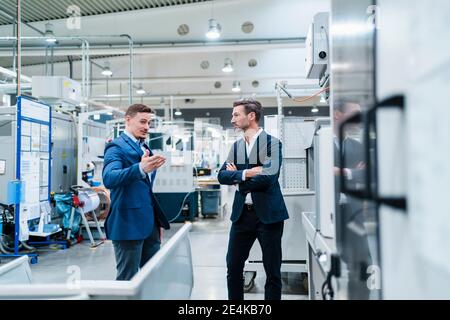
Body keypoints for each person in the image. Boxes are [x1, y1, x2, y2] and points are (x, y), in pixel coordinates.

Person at [218, 98, 289, 300]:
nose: (232, 119)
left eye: (236, 114)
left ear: (251, 116)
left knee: (272, 271)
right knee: (233, 266)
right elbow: (222, 176)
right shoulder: (237, 146)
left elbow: (268, 178)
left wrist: (238, 180)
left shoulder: (272, 144)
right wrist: (248, 173)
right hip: (242, 216)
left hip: (269, 216)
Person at [102, 104, 170, 281]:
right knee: (128, 279)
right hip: (128, 224)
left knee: (153, 277)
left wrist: (155, 222)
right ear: (128, 120)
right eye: (142, 121)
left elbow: (145, 189)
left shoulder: (145, 148)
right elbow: (109, 178)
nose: (147, 127)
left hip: (149, 225)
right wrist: (140, 168)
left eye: (149, 122)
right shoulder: (116, 148)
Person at [333, 99, 373, 299]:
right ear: (338, 114)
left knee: (362, 266)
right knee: (330, 266)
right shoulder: (321, 143)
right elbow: (324, 176)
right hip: (330, 214)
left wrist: (342, 172)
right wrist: (352, 172)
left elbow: (367, 175)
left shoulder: (357, 146)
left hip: (354, 215)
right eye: (354, 112)